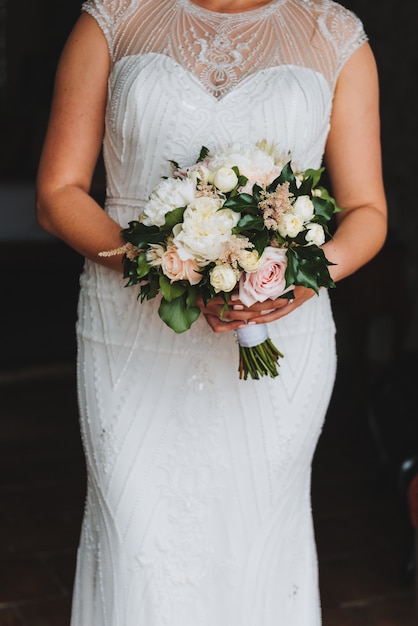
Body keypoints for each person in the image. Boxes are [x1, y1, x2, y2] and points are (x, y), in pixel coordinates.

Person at [36, 0, 387, 624]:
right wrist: (162, 265)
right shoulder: (113, 17)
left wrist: (296, 284)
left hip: (280, 332)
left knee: (254, 539)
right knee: (135, 542)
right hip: (131, 334)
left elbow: (367, 211)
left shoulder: (333, 33)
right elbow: (58, 192)